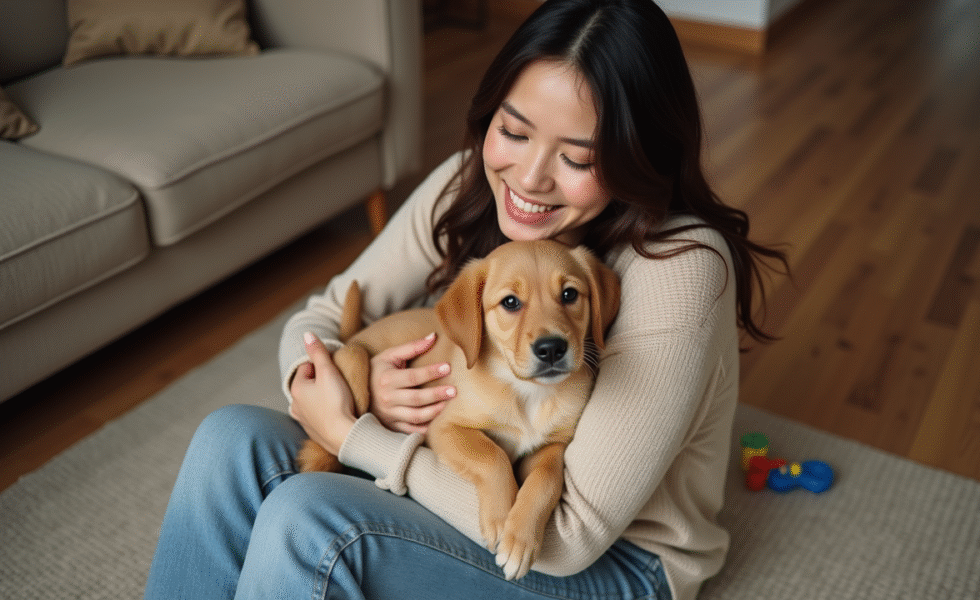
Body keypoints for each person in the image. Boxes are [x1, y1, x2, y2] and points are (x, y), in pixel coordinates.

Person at [144, 0, 786, 598]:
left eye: (577, 157)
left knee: (308, 519)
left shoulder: (679, 266)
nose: (530, 177)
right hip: (473, 469)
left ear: (638, 156)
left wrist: (360, 439)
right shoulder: (471, 183)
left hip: (618, 563)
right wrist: (323, 390)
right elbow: (324, 313)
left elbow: (569, 539)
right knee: (229, 438)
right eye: (514, 130)